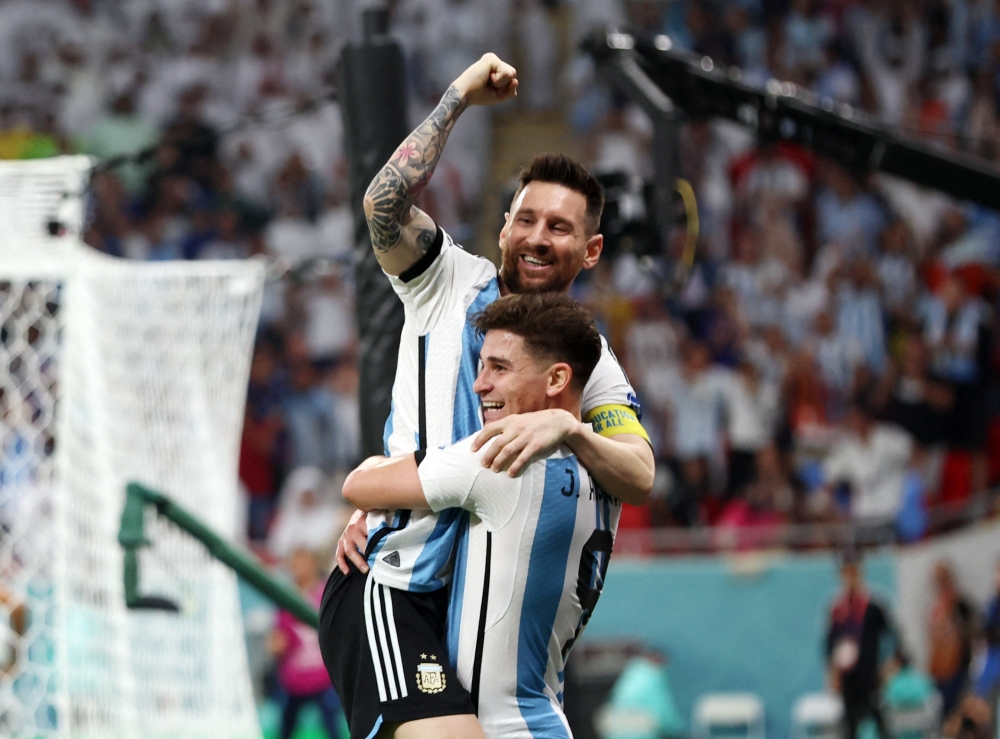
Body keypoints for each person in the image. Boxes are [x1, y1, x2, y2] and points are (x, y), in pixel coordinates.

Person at [321, 53, 654, 739]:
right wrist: (457, 99)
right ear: (503, 227)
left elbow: (639, 472)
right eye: (525, 219)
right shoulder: (446, 278)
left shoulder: (588, 363)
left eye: (559, 228)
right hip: (395, 583)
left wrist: (575, 434)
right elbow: (382, 205)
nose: (536, 237)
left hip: (467, 621)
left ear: (590, 252)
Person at [324, 293, 620, 739]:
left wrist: (368, 499)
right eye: (481, 366)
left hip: (491, 722)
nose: (480, 384)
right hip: (546, 719)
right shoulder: (609, 471)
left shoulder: (499, 459)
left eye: (499, 368)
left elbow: (358, 485)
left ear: (558, 377)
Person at [268, 548, 343, 739]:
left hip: (324, 677)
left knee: (332, 726)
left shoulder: (328, 591)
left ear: (313, 564)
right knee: (286, 727)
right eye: (295, 563)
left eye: (302, 562)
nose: (298, 568)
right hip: (294, 678)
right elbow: (280, 637)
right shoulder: (285, 597)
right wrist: (276, 645)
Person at [825, 550, 895, 739]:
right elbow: (830, 644)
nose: (850, 578)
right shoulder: (837, 609)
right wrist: (832, 672)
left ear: (860, 573)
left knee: (879, 722)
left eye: (853, 572)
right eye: (846, 573)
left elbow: (890, 636)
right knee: (849, 726)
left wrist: (889, 663)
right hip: (848, 678)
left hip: (870, 674)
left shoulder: (873, 606)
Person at [927, 561, 975, 716]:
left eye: (942, 578)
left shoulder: (958, 602)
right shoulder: (936, 606)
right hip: (940, 668)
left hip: (956, 666)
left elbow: (971, 629)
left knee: (955, 710)